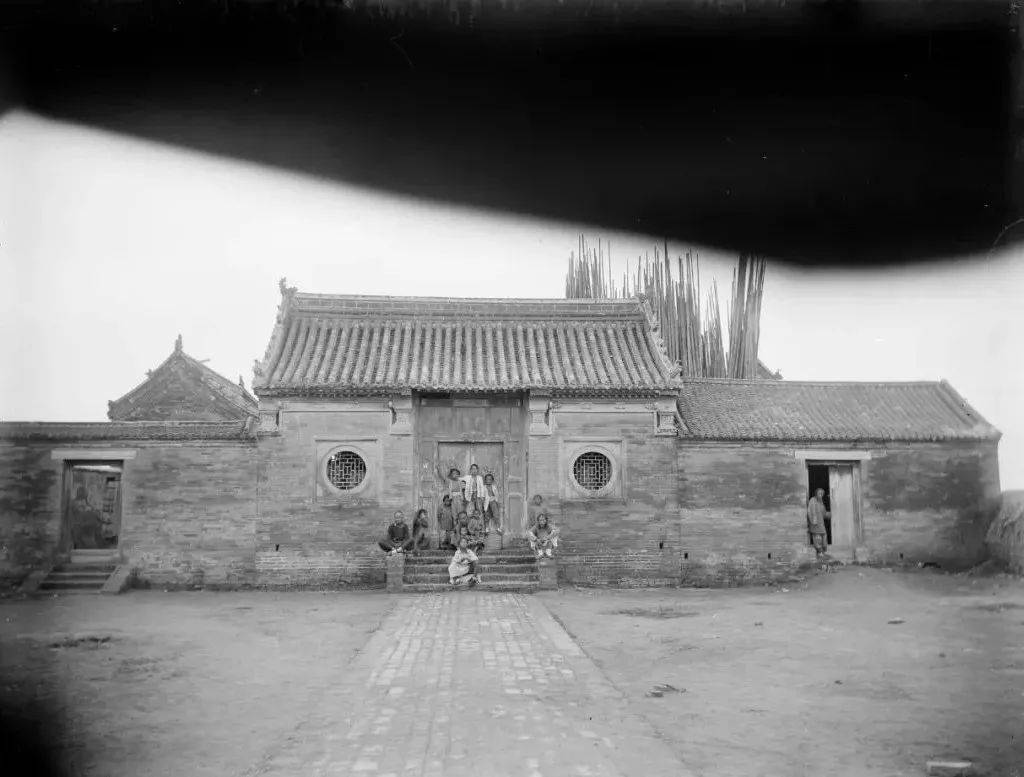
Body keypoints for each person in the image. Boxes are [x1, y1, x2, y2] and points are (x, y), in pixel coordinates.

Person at [807, 488, 830, 556]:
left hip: (821, 523)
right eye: (819, 493)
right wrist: (813, 520)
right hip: (815, 523)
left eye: (822, 494)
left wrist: (828, 514)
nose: (821, 495)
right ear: (816, 494)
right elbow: (810, 511)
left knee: (824, 536)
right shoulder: (812, 500)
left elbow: (824, 513)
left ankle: (824, 551)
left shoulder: (821, 502)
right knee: (817, 537)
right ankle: (819, 551)